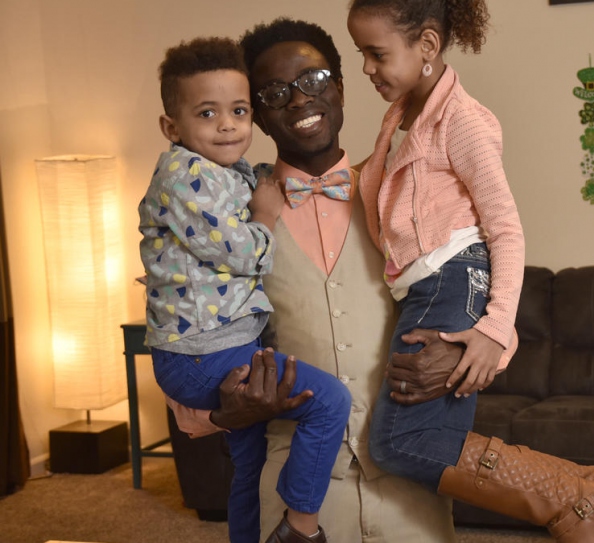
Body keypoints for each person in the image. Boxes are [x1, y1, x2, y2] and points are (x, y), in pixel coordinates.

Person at [346, 1, 594, 542]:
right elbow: (374, 179)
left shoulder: (464, 121)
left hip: (448, 282)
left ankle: (578, 499)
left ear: (427, 47)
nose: (366, 67)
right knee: (427, 439)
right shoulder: (403, 113)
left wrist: (494, 329)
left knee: (397, 441)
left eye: (376, 53)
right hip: (431, 286)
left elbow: (505, 229)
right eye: (361, 52)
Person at [167, 18, 464, 543]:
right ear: (254, 113)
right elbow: (185, 359)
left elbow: (470, 287)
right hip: (293, 495)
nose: (300, 100)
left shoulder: (405, 192)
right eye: (275, 93)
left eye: (314, 79)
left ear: (341, 87)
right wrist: (224, 413)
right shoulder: (221, 213)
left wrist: (467, 350)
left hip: (409, 485)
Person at [139, 36, 354, 543]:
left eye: (237, 110)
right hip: (205, 354)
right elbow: (241, 251)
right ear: (172, 127)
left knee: (248, 469)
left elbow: (242, 192)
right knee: (330, 402)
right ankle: (301, 526)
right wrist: (264, 214)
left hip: (225, 345)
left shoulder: (228, 173)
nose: (228, 124)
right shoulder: (184, 174)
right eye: (208, 113)